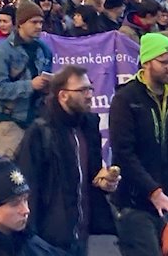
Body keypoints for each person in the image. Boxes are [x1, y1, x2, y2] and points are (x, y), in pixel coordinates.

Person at [109, 33, 168, 256]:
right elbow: (124, 153)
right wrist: (153, 191)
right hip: (135, 202)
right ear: (146, 62)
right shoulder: (126, 98)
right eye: (165, 62)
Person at [15, 65, 118, 255]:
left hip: (81, 233)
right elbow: (28, 186)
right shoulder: (40, 132)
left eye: (90, 88)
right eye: (82, 90)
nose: (89, 95)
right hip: (48, 237)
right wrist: (28, 235)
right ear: (63, 95)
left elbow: (92, 176)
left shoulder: (89, 126)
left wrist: (105, 182)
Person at [0, 0, 53, 158]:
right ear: (20, 24)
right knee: (12, 175)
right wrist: (30, 85)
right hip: (11, 121)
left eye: (41, 22)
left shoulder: (44, 50)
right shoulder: (3, 51)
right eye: (34, 22)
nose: (39, 26)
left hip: (38, 119)